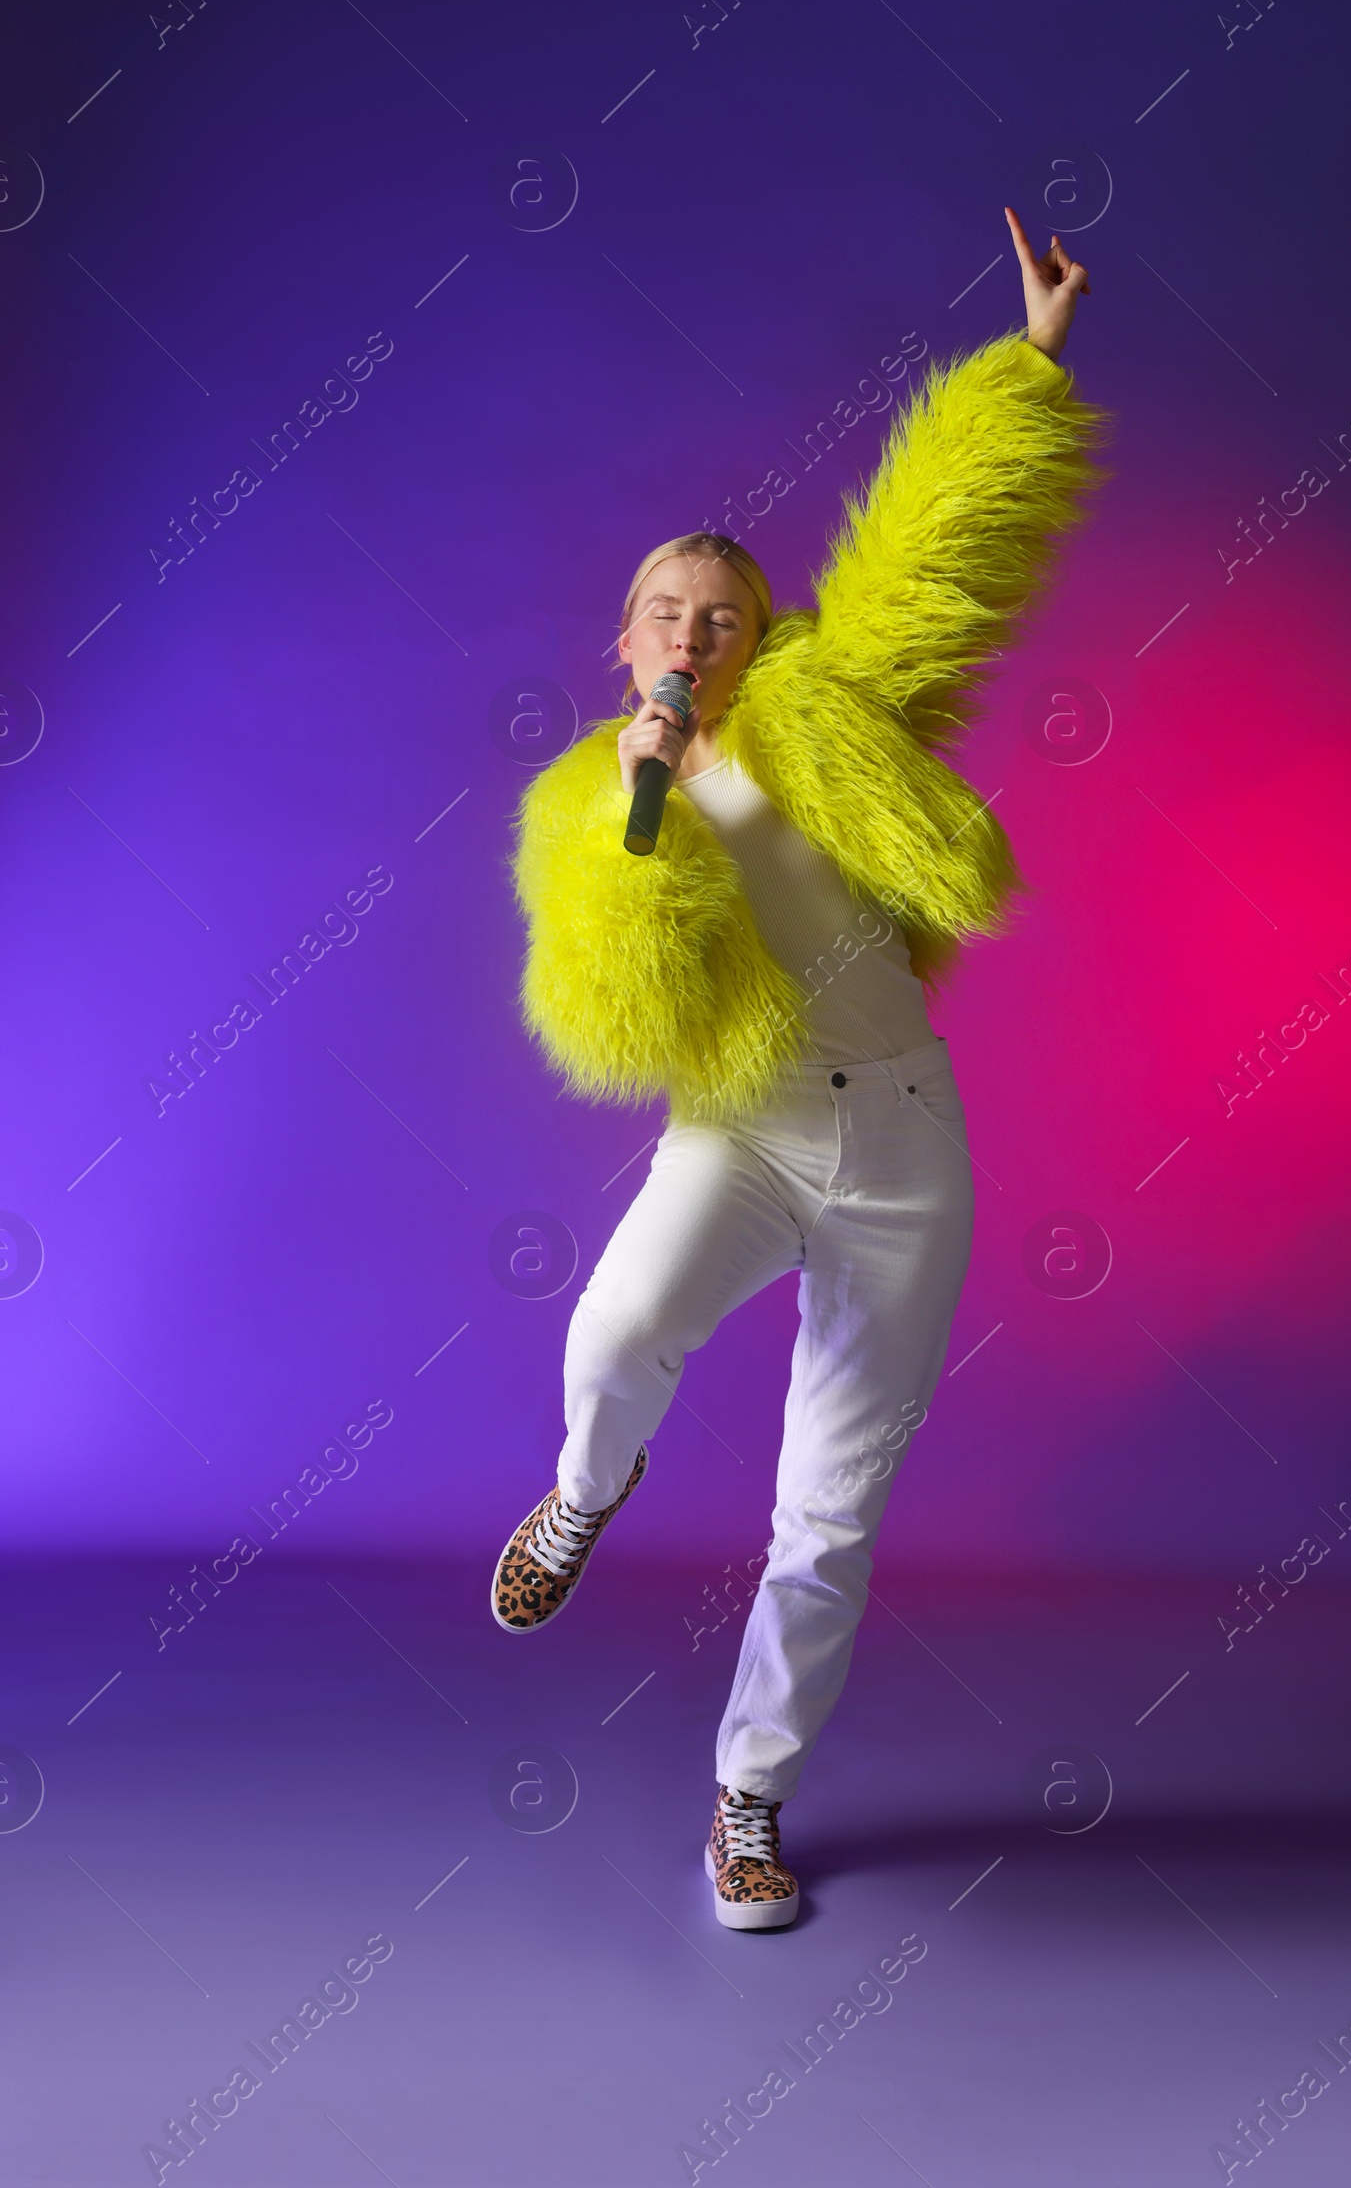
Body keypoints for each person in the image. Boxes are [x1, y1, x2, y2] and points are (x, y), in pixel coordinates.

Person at [493, 208, 1109, 1929]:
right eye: (665, 614)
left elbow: (939, 559)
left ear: (767, 637)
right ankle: (579, 1493)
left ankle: (747, 1805)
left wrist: (1032, 361)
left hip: (905, 1141)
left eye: (726, 614)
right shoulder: (583, 805)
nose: (694, 635)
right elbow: (612, 1009)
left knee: (828, 1513)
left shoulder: (835, 710)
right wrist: (642, 814)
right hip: (739, 1134)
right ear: (626, 644)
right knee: (613, 1332)